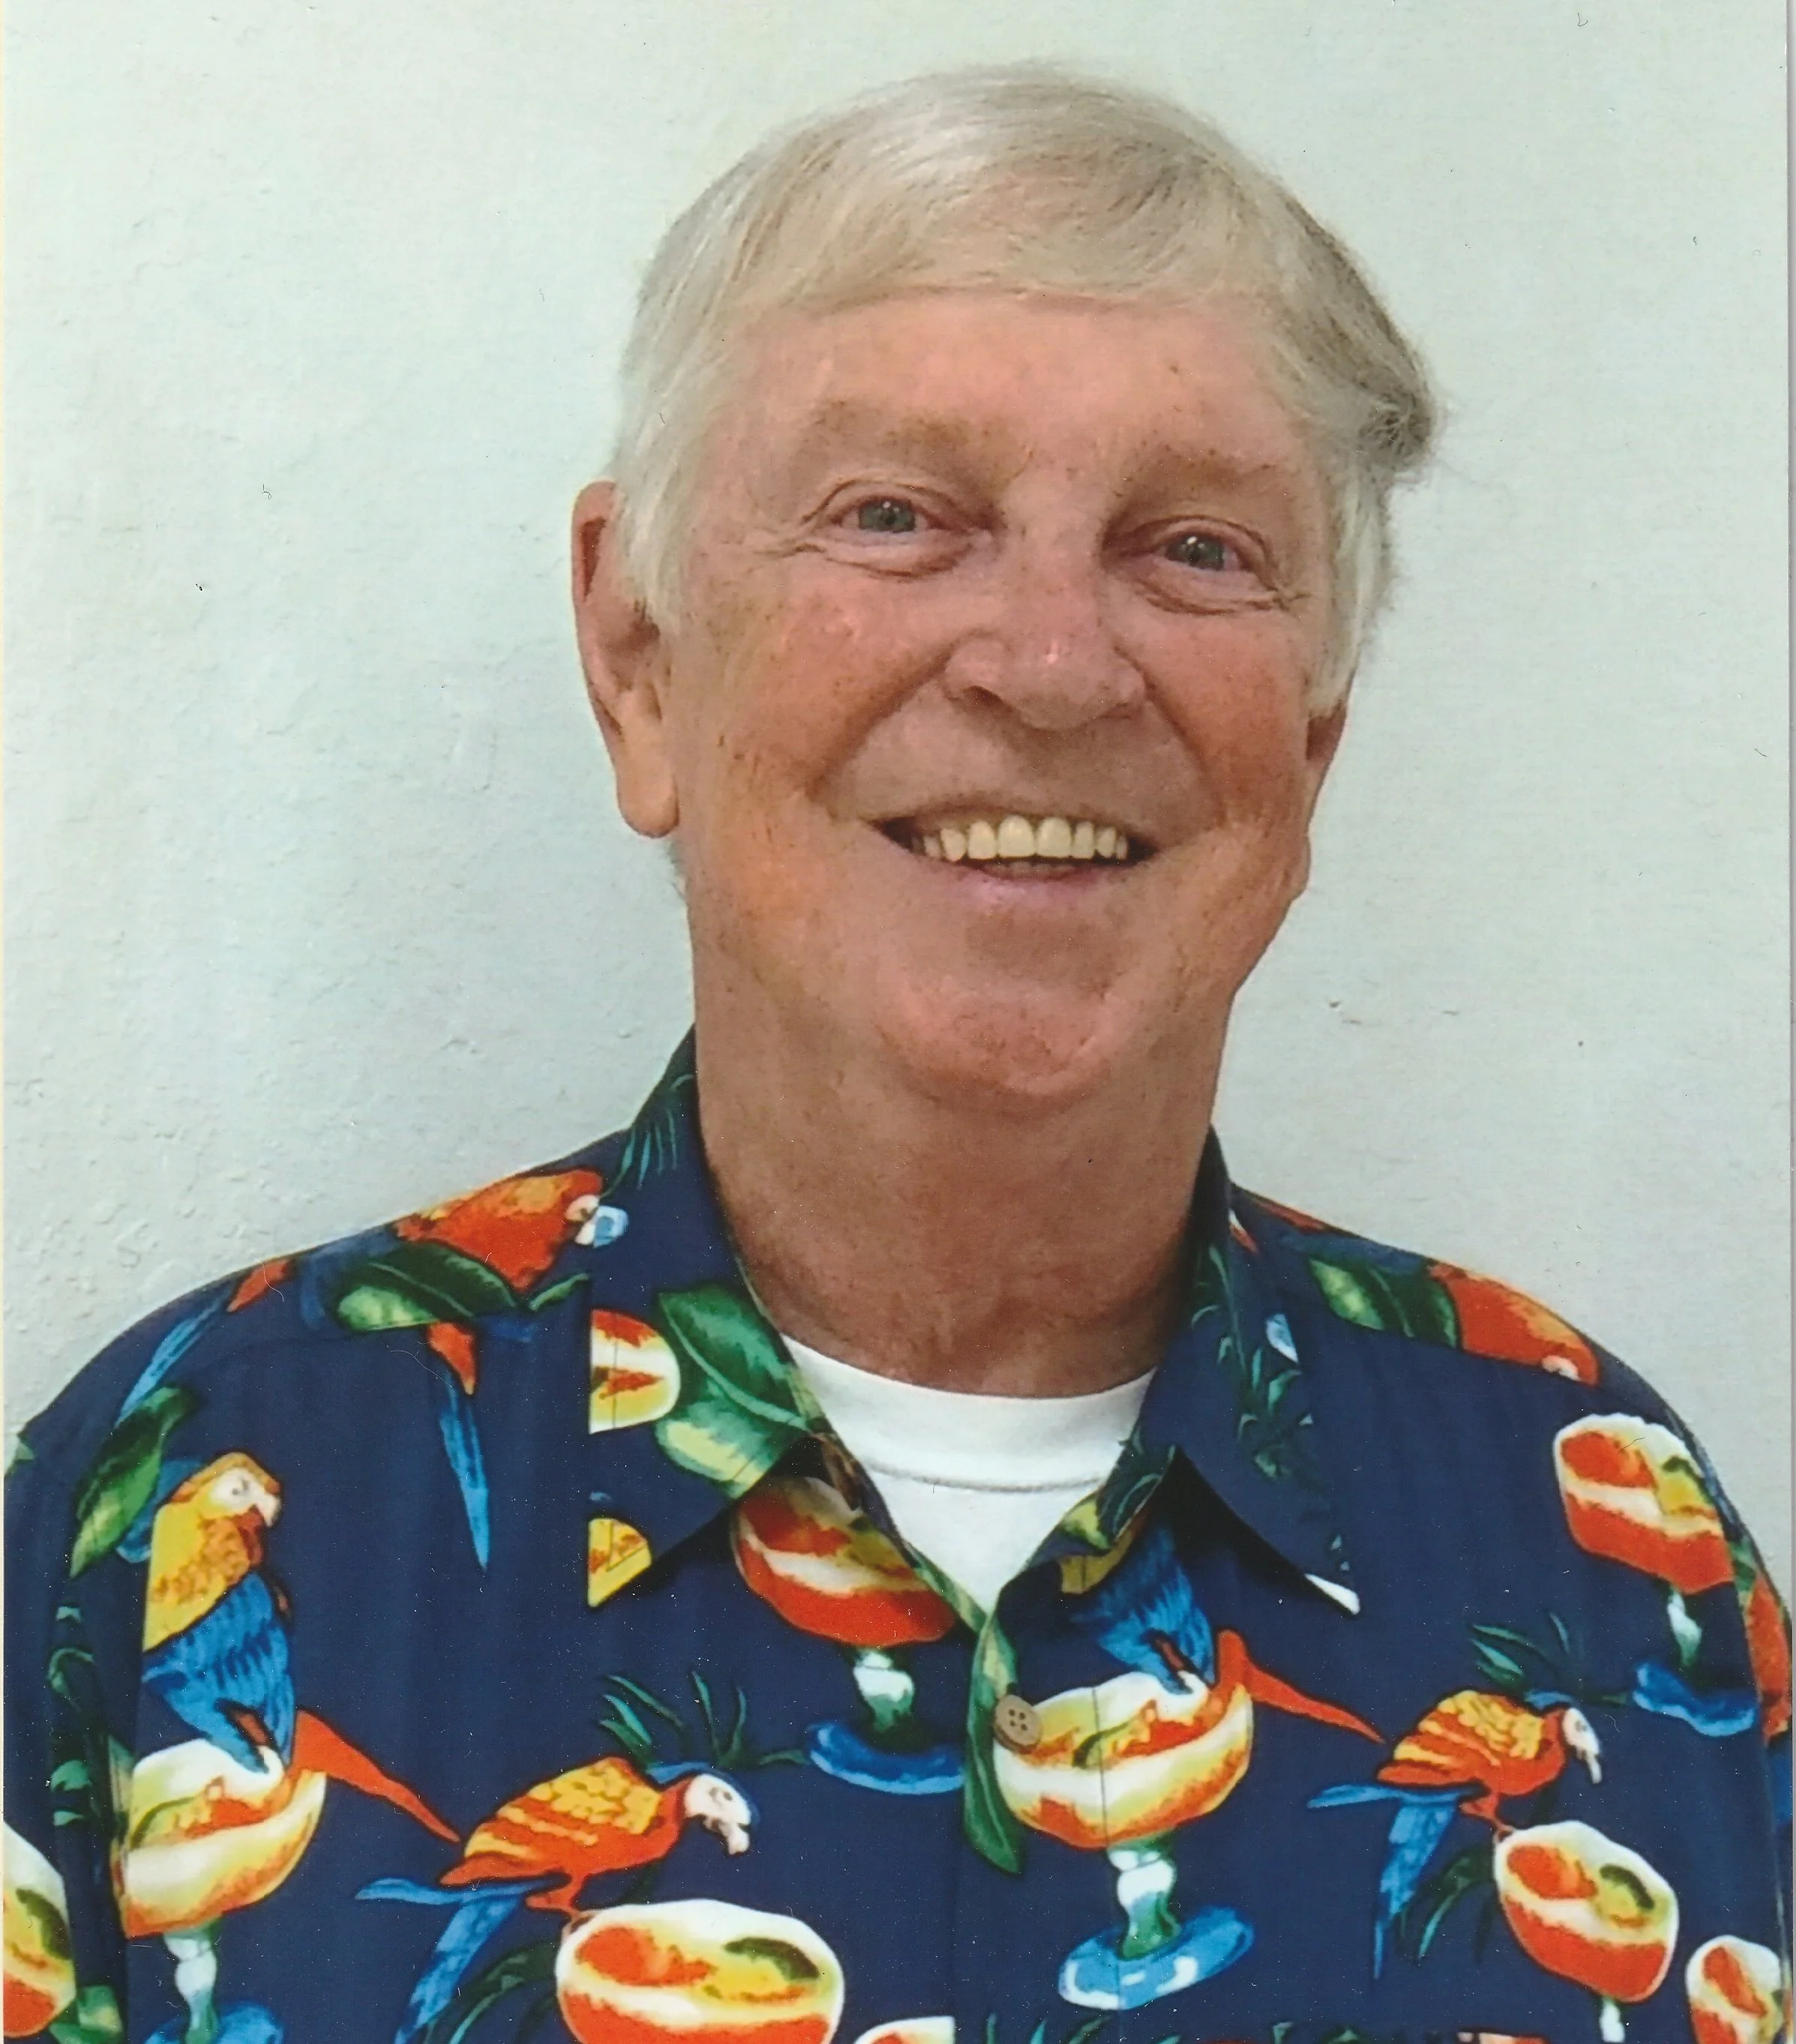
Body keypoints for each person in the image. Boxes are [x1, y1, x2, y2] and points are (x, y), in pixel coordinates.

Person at [5, 65, 1787, 2044]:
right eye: (894, 517)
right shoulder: (184, 1500)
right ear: (636, 658)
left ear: (1311, 738)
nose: (1046, 660)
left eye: (1191, 548)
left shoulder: (1596, 1531)